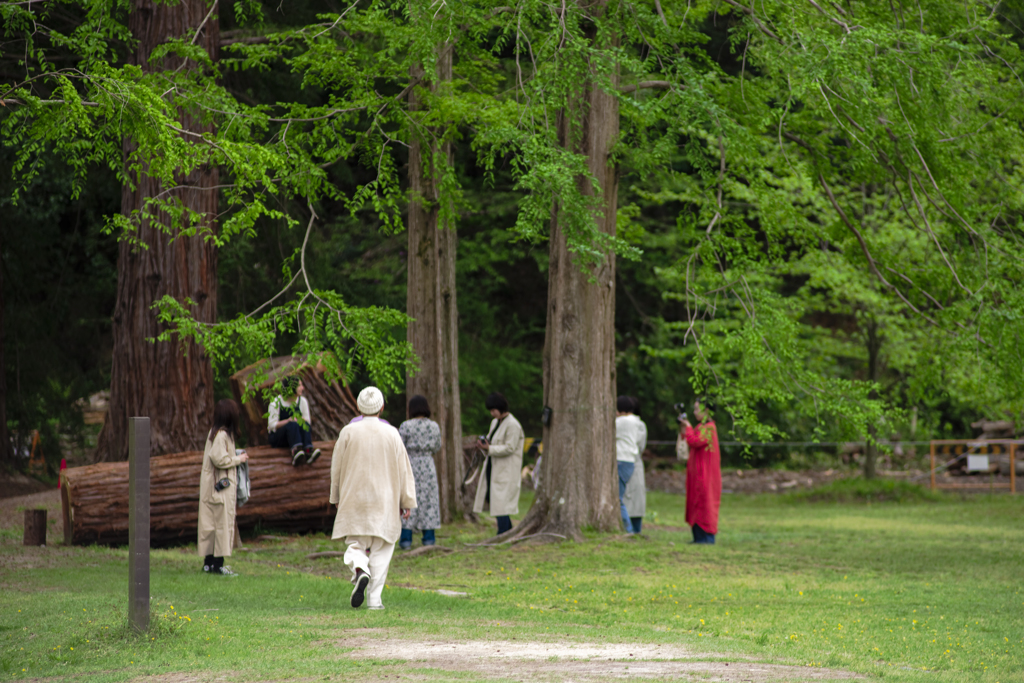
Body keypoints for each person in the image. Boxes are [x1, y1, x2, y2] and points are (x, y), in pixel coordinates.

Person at [329, 386, 416, 610]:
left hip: (354, 496)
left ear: (358, 407)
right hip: (385, 499)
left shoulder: (347, 431)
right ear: (382, 407)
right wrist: (406, 501)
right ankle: (375, 600)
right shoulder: (392, 433)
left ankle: (360, 568)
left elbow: (336, 468)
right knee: (383, 547)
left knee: (355, 544)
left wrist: (336, 495)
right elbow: (404, 470)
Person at [198, 399, 250, 575]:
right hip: (219, 488)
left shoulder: (215, 433)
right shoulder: (221, 436)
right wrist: (238, 459)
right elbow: (219, 459)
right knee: (221, 525)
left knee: (212, 525)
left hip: (212, 488)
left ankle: (209, 563)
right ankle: (217, 565)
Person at [472, 392, 524, 536]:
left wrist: (489, 448)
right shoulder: (495, 422)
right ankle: (507, 530)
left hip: (506, 469)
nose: (491, 413)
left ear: (501, 408)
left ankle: (503, 531)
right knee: (495, 500)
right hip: (493, 466)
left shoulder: (513, 425)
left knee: (501, 502)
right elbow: (492, 440)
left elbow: (510, 447)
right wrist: (484, 444)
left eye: (493, 410)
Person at [398, 395, 442, 550]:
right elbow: (437, 446)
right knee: (429, 501)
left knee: (408, 499)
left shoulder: (405, 426)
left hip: (410, 465)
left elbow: (400, 446)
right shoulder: (434, 426)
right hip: (428, 465)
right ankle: (429, 538)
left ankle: (405, 539)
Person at [683, 397, 722, 544]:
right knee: (696, 502)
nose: (694, 412)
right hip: (698, 473)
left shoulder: (709, 428)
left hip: (706, 475)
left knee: (705, 503)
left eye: (696, 409)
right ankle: (698, 537)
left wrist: (687, 427)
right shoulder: (701, 427)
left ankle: (707, 538)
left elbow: (695, 441)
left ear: (706, 411)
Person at [268, 376, 320, 466]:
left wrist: (301, 420)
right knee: (292, 424)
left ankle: (308, 450)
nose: (302, 388)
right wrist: (288, 421)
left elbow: (308, 421)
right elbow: (271, 425)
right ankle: (296, 451)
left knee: (304, 424)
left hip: (298, 435)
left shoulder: (302, 401)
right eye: (299, 386)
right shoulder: (276, 402)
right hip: (280, 438)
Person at [614, 395, 644, 534]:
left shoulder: (622, 422)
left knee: (617, 498)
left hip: (621, 461)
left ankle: (629, 530)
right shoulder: (638, 422)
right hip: (630, 462)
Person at [622, 396, 647, 534]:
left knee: (635, 502)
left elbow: (639, 445)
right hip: (626, 463)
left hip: (633, 463)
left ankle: (635, 531)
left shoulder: (639, 425)